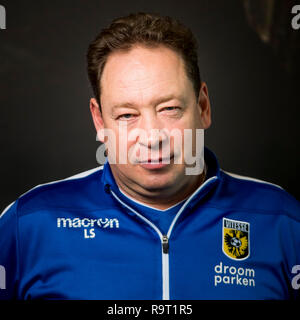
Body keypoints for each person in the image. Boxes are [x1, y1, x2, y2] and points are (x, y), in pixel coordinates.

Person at [0, 12, 299, 300]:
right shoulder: (30, 223)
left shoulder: (283, 221)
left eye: (169, 109)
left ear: (203, 107)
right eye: (127, 114)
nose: (152, 136)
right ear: (100, 121)